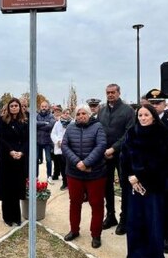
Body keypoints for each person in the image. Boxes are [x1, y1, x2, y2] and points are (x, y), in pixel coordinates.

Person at [121, 104, 168, 258]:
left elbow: (162, 162)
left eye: (146, 115)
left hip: (153, 187)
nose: (143, 118)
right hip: (133, 186)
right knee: (135, 222)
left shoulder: (163, 134)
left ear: (153, 116)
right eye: (140, 115)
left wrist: (140, 177)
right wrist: (130, 176)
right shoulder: (132, 132)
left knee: (153, 224)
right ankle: (136, 256)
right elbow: (125, 156)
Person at [61, 104, 107, 248]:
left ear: (89, 114)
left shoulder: (98, 127)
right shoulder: (70, 128)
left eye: (84, 113)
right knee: (75, 202)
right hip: (74, 173)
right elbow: (64, 145)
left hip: (95, 173)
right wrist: (78, 163)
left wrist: (87, 163)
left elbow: (101, 145)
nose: (81, 116)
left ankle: (96, 235)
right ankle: (74, 230)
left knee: (97, 204)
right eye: (78, 114)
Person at [144, 88, 168, 254]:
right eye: (151, 103)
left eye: (158, 102)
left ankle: (166, 237)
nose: (155, 105)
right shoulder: (142, 120)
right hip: (147, 173)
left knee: (166, 207)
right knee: (149, 205)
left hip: (166, 173)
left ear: (164, 104)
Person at [98, 84, 135, 235]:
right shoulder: (102, 111)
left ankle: (124, 219)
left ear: (119, 93)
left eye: (113, 92)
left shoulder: (128, 111)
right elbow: (99, 131)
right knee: (107, 186)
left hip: (122, 155)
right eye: (108, 92)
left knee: (124, 187)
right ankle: (110, 215)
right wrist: (103, 149)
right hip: (105, 155)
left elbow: (129, 133)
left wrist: (113, 148)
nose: (110, 95)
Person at [0, 97, 29, 226]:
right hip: (6, 157)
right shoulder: (3, 120)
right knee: (6, 187)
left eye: (16, 105)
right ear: (8, 108)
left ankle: (16, 216)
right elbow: (1, 138)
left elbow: (27, 139)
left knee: (16, 187)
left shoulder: (24, 121)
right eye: (12, 106)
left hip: (19, 157)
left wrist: (21, 152)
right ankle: (7, 216)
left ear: (20, 107)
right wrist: (11, 151)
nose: (14, 107)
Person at [51, 108, 71, 191]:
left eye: (68, 113)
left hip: (69, 148)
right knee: (62, 167)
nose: (66, 114)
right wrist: (57, 141)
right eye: (65, 113)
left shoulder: (72, 123)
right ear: (62, 114)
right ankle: (64, 183)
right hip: (59, 148)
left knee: (69, 166)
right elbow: (53, 134)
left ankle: (70, 183)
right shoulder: (57, 123)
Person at [36, 100, 56, 180]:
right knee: (36, 159)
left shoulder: (51, 116)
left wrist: (39, 125)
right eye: (42, 106)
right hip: (37, 141)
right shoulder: (36, 115)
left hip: (47, 141)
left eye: (45, 106)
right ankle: (36, 176)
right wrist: (45, 123)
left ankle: (49, 176)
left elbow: (50, 126)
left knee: (48, 159)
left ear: (48, 107)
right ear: (40, 107)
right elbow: (34, 123)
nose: (44, 108)